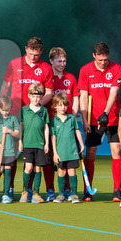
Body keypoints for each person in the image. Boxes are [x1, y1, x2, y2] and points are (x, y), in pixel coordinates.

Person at [0, 37, 53, 197]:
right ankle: (9, 188)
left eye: (36, 55)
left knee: (33, 157)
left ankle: (29, 189)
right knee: (12, 152)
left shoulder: (46, 68)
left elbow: (49, 93)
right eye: (30, 54)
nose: (32, 57)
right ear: (25, 49)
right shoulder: (15, 63)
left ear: (41, 52)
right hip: (15, 115)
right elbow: (5, 86)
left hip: (34, 119)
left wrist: (36, 106)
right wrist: (2, 106)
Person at [77, 42, 121, 201]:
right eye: (100, 60)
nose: (103, 63)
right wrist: (84, 119)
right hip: (93, 119)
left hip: (112, 117)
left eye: (105, 59)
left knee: (116, 151)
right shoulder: (85, 70)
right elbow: (83, 95)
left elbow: (114, 91)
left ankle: (117, 190)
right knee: (91, 152)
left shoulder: (117, 68)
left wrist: (106, 112)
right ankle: (87, 190)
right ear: (94, 56)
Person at [42, 47, 78, 199]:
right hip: (49, 124)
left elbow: (75, 99)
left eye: (64, 61)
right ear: (51, 60)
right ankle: (50, 189)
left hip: (67, 124)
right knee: (49, 156)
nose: (63, 64)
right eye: (59, 61)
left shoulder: (71, 78)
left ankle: (68, 190)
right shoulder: (47, 77)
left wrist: (73, 117)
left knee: (67, 156)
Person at [49, 92, 84, 204]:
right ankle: (61, 194)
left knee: (72, 172)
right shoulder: (53, 121)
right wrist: (54, 152)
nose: (62, 107)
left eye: (64, 105)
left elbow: (77, 131)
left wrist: (82, 144)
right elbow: (53, 137)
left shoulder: (72, 118)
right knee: (61, 172)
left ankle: (74, 194)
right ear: (55, 106)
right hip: (60, 152)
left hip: (72, 151)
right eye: (59, 105)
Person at [18, 83, 50, 204]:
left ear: (41, 97)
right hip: (27, 143)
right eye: (33, 96)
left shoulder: (44, 111)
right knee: (29, 167)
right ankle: (25, 191)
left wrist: (46, 144)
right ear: (29, 96)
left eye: (38, 97)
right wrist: (20, 141)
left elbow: (46, 128)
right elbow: (21, 126)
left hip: (40, 144)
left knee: (38, 168)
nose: (35, 99)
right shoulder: (24, 110)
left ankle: (36, 193)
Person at [0, 96, 20, 204]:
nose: (5, 113)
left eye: (7, 110)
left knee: (8, 170)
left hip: (9, 149)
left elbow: (18, 133)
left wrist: (9, 131)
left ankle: (5, 194)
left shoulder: (13, 118)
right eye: (3, 110)